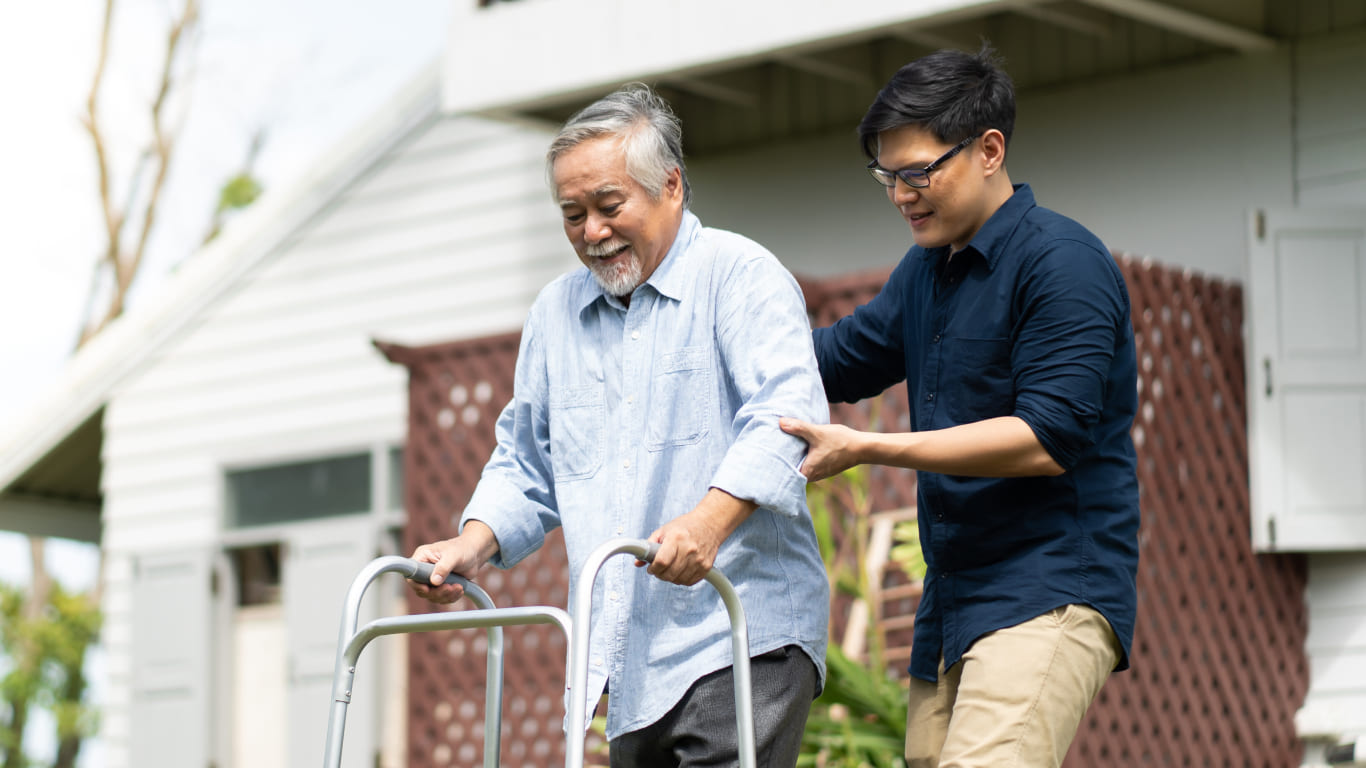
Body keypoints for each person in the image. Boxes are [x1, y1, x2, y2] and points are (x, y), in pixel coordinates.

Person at [409, 84, 830, 767]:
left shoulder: (740, 276)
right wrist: (472, 543)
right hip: (627, 658)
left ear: (671, 185)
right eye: (572, 215)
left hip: (740, 631)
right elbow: (527, 461)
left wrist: (707, 523)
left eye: (609, 207)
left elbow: (787, 420)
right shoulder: (554, 315)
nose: (591, 233)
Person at [779, 46, 1139, 768]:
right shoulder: (925, 272)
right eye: (887, 176)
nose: (901, 194)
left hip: (1049, 590)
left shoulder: (1063, 262)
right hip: (952, 604)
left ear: (988, 149)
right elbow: (833, 361)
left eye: (918, 173)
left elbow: (1045, 438)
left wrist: (870, 447)